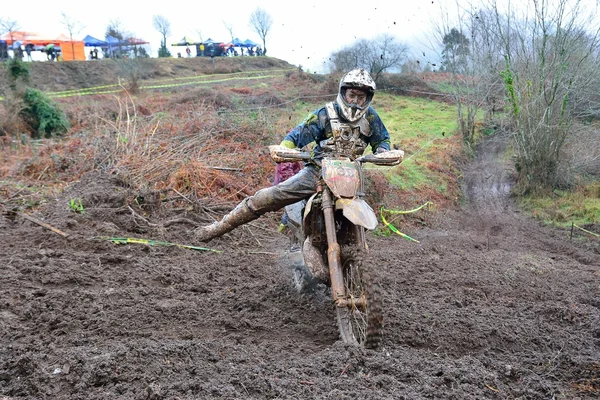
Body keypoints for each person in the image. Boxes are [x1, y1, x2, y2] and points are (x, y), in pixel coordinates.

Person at [194, 68, 391, 243]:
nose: (355, 102)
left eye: (360, 98)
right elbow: (296, 135)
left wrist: (383, 152)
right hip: (317, 172)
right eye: (352, 95)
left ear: (368, 98)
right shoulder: (325, 114)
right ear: (343, 92)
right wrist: (284, 149)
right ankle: (218, 227)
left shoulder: (371, 117)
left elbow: (382, 140)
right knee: (270, 196)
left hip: (351, 176)